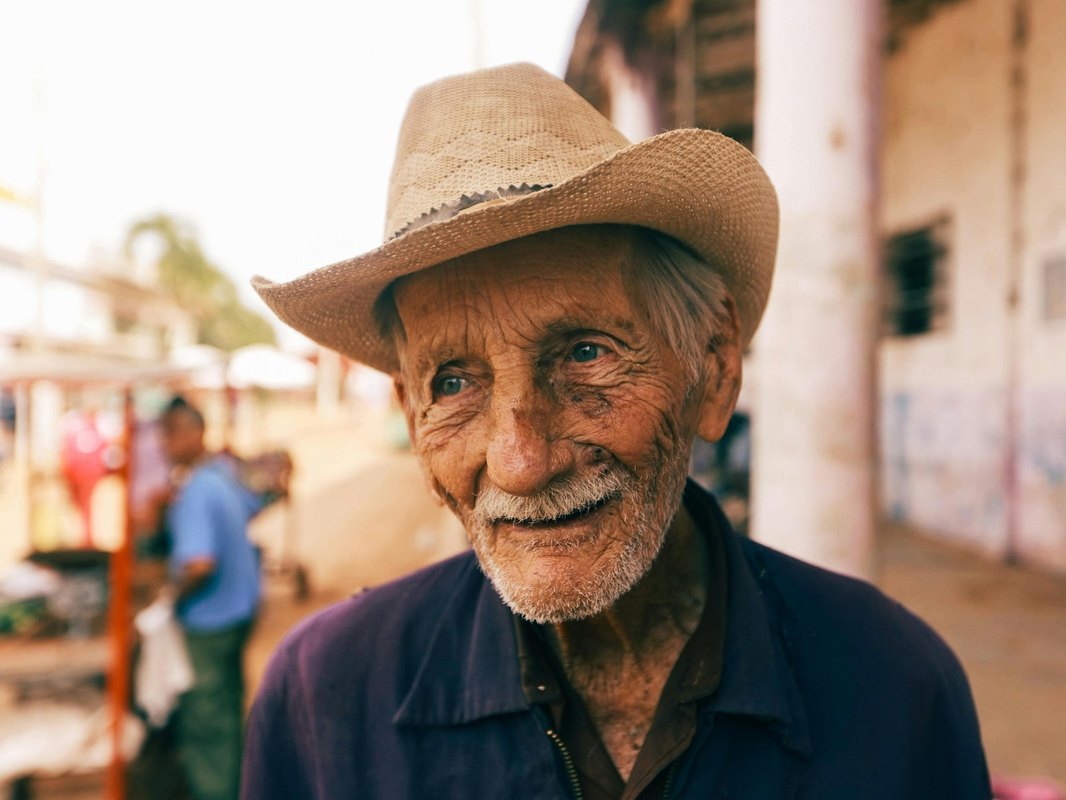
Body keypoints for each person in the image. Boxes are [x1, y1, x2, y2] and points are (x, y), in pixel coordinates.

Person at [242, 63, 991, 798]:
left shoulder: (894, 685)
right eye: (455, 383)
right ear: (414, 417)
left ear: (713, 365)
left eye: (585, 353)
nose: (521, 461)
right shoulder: (324, 701)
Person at [159, 396, 269, 800]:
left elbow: (200, 564)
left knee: (207, 725)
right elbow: (253, 508)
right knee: (226, 714)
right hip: (238, 612)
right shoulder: (221, 475)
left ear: (196, 433)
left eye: (172, 433)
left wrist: (169, 598)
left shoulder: (198, 489)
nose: (165, 443)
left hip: (211, 622)